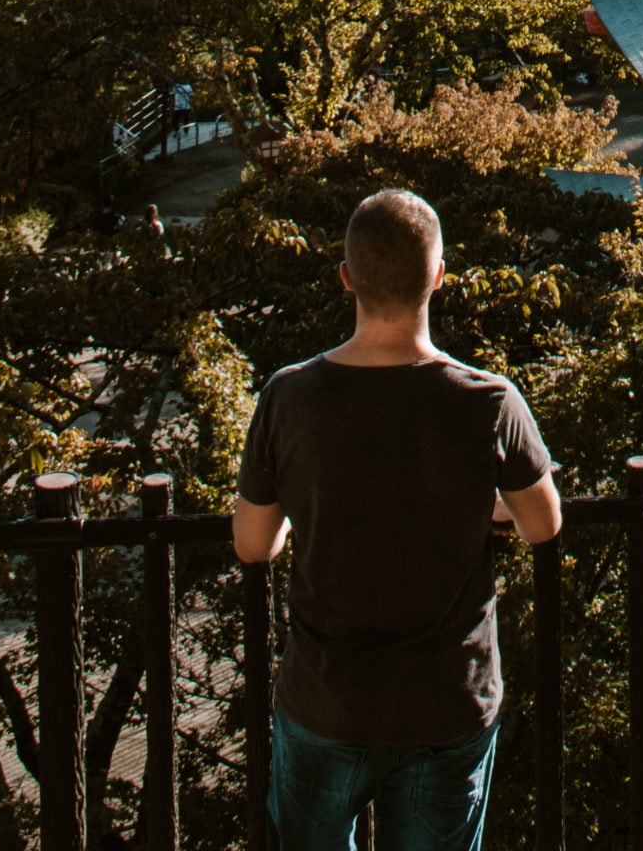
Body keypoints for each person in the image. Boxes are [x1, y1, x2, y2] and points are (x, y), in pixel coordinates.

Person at [232, 188, 560, 851]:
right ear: (438, 278)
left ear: (346, 277)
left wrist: (304, 509)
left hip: (329, 696)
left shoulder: (288, 397)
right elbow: (543, 525)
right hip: (446, 698)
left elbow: (252, 544)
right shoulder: (488, 402)